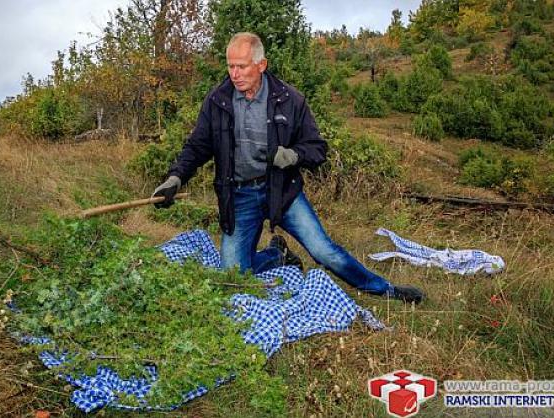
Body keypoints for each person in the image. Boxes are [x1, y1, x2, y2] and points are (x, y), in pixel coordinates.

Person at [153, 32, 424, 304]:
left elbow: (317, 149)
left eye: (242, 66)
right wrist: (175, 179)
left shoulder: (289, 99)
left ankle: (385, 290)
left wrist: (293, 155)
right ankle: (277, 255)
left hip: (282, 192)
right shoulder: (218, 101)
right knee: (233, 277)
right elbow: (197, 146)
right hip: (240, 196)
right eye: (230, 66)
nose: (234, 74)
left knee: (323, 251)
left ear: (261, 65)